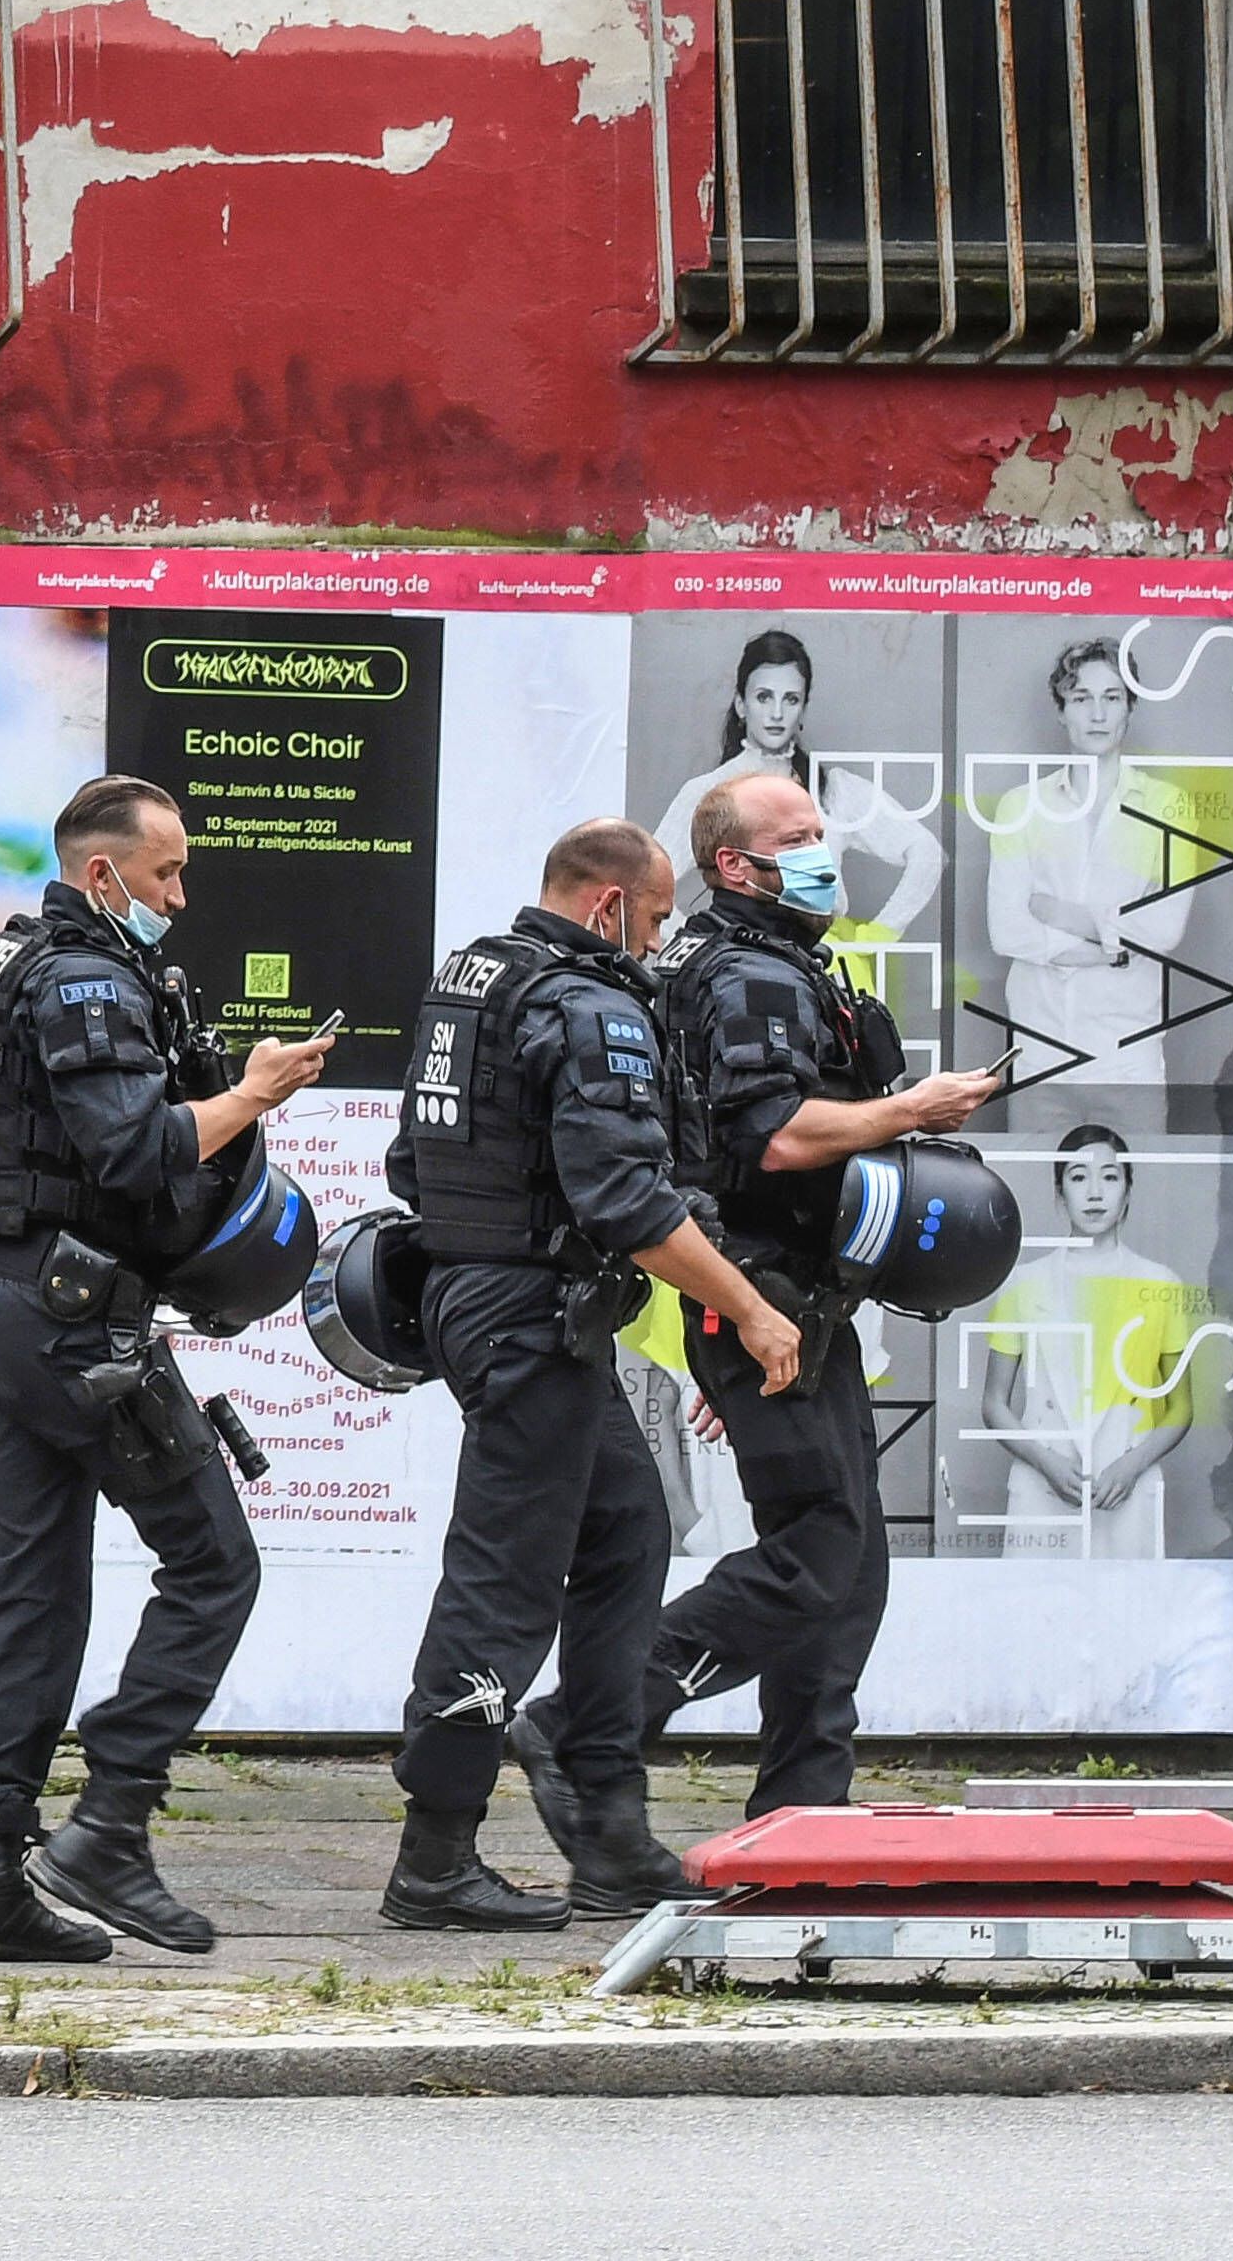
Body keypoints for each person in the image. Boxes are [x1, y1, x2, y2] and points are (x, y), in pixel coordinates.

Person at [545, 772, 997, 1835]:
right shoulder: (747, 972)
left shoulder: (756, 957)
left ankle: (803, 1812)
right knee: (818, 1550)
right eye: (794, 837)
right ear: (736, 866)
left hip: (790, 1309)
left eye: (819, 830)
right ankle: (586, 1717)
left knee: (850, 1564)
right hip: (763, 1300)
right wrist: (910, 1108)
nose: (821, 849)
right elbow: (776, 1137)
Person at [0, 776, 328, 1966]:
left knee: (35, 1595)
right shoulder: (83, 976)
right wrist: (251, 1093)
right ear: (103, 874)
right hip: (73, 1323)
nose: (180, 895)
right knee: (214, 1562)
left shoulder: (21, 960)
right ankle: (108, 1821)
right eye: (165, 874)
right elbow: (135, 1147)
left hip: (20, 1303)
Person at [380, 818, 802, 1929]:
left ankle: (607, 1824)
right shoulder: (588, 1002)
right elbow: (628, 1202)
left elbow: (407, 1159)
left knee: (625, 1528)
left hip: (490, 1302)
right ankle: (434, 1855)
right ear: (610, 905)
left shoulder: (468, 978)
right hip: (529, 1316)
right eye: (658, 919)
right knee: (504, 1578)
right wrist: (749, 1308)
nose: (662, 942)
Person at [971, 1127, 1199, 1558]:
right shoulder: (1025, 1283)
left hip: (1126, 1483)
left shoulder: (1160, 1284)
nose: (1095, 1193)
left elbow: (1181, 1407)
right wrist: (1046, 1461)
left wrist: (1132, 1466)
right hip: (1044, 1482)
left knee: (1126, 1617)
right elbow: (994, 1403)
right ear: (1059, 1194)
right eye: (1078, 1178)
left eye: (1110, 1178)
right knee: (1037, 1613)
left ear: (1129, 1190)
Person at [983, 638, 1197, 1090]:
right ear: (1062, 710)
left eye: (1112, 697)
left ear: (1130, 708)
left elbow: (1164, 931)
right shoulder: (1021, 805)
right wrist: (1111, 950)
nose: (1097, 714)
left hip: (1130, 1056)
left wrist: (1063, 915)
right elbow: (1006, 930)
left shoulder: (1169, 806)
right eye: (1081, 698)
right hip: (1039, 1052)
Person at [645, 629, 941, 944]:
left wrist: (879, 935)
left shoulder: (831, 790)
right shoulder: (706, 793)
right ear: (741, 705)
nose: (776, 713)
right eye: (763, 697)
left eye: (790, 699)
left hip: (823, 967)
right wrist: (702, 947)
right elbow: (646, 885)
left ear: (802, 708)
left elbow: (927, 852)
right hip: (742, 965)